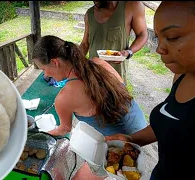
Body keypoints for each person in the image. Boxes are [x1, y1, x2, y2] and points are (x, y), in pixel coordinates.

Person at [106, 1, 195, 180]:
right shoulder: (182, 75)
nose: (159, 49)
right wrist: (131, 139)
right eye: (158, 38)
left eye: (171, 37)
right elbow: (171, 122)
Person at [32, 35, 147, 179]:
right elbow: (121, 92)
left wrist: (42, 132)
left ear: (55, 62)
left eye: (44, 69)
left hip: (122, 141)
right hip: (143, 129)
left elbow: (65, 129)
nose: (46, 75)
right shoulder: (98, 62)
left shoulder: (64, 98)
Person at [80, 1, 148, 85]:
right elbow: (85, 43)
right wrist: (74, 63)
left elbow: (142, 34)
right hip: (93, 73)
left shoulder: (132, 6)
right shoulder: (89, 14)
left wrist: (129, 52)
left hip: (116, 75)